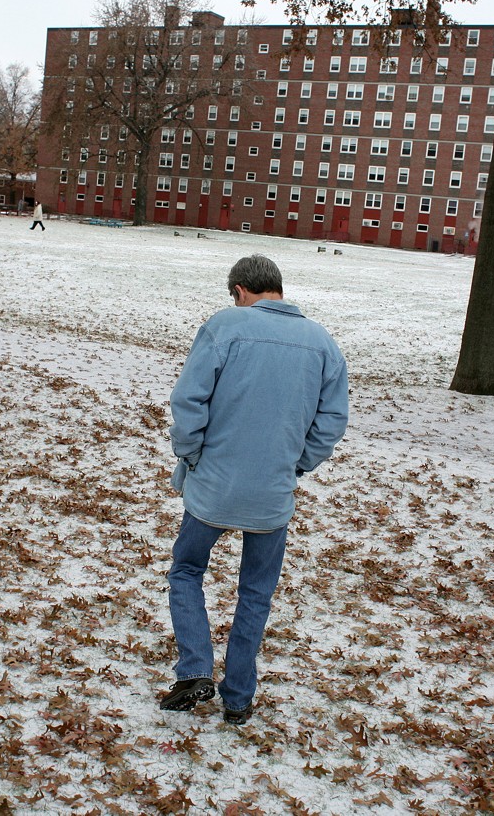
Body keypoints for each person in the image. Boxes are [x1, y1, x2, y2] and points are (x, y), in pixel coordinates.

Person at [160, 254, 348, 725]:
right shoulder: (322, 343)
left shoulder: (225, 327)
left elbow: (188, 400)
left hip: (213, 489)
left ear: (241, 291)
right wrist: (297, 463)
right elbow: (332, 421)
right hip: (271, 497)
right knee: (255, 594)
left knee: (186, 570)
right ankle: (238, 697)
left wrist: (192, 454)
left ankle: (195, 669)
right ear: (278, 290)